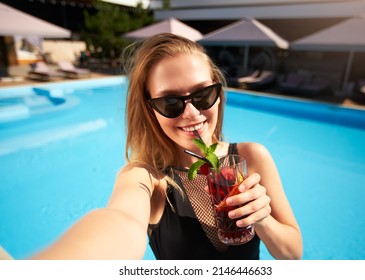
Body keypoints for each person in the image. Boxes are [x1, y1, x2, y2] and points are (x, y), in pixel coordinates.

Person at [32, 33, 302, 260]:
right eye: (170, 103)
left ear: (218, 95)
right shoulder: (148, 178)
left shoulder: (252, 157)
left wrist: (263, 219)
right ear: (151, 111)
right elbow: (119, 222)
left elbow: (293, 254)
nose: (192, 113)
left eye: (203, 94)